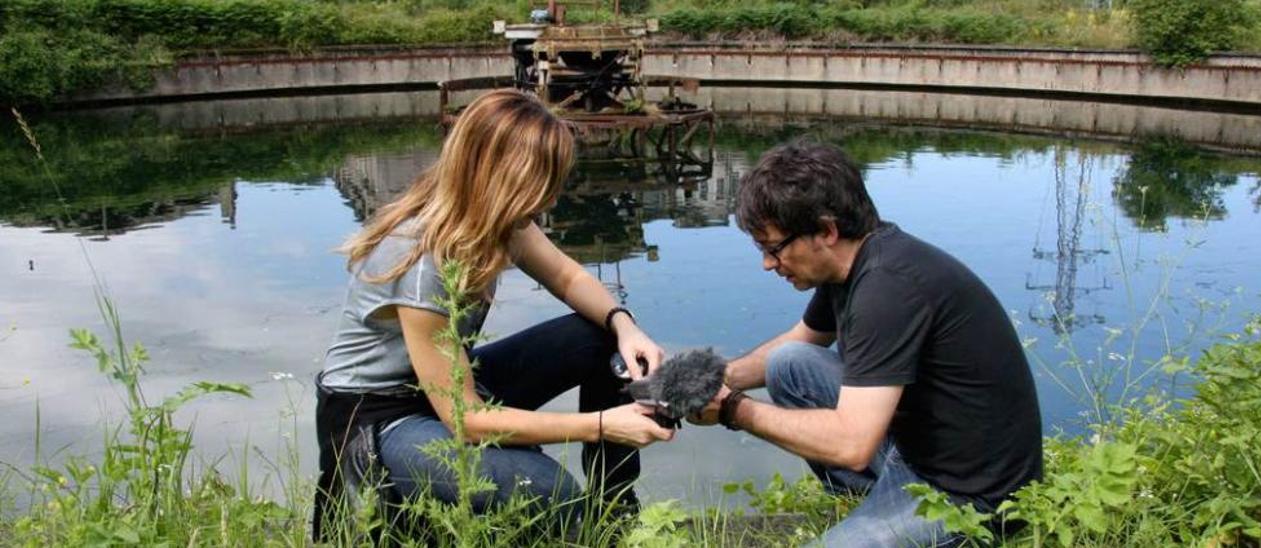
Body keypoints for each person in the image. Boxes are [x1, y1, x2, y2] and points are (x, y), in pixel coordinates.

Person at [312, 89, 673, 539]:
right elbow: (470, 419)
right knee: (543, 487)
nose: (553, 198)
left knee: (599, 339)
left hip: (445, 387)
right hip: (379, 418)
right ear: (503, 182)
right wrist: (599, 427)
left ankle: (614, 512)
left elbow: (566, 276)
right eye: (544, 184)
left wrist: (625, 325)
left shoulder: (500, 222)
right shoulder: (422, 260)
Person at [692, 140, 1043, 547]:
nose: (768, 264)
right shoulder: (854, 262)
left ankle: (895, 521)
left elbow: (853, 444)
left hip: (972, 498)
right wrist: (711, 380)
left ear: (825, 231)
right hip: (916, 449)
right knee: (789, 363)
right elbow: (796, 342)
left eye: (774, 249)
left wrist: (733, 409)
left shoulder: (888, 290)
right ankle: (873, 504)